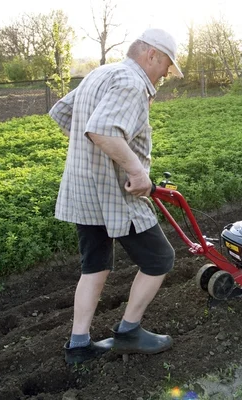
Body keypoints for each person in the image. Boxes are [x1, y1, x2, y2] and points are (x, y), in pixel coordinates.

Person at [48, 28, 184, 365]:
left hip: (83, 189)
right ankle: (129, 331)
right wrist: (136, 171)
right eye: (166, 64)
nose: (167, 73)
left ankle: (78, 345)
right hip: (114, 192)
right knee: (159, 259)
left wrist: (91, 153)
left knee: (94, 265)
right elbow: (102, 129)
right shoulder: (131, 82)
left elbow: (64, 113)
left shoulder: (102, 72)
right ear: (151, 54)